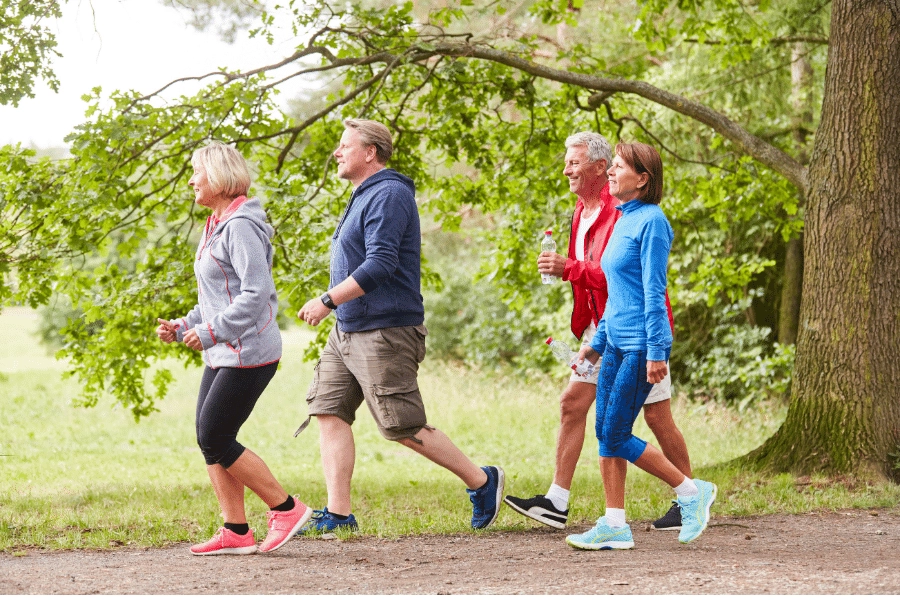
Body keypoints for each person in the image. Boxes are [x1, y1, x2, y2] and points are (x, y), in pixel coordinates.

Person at [295, 118, 504, 533]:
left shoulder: (388, 193)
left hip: (385, 330)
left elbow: (381, 263)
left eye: (344, 146)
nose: (336, 153)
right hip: (348, 329)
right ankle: (338, 514)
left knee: (401, 426)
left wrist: (326, 300)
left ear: (370, 151)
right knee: (328, 410)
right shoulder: (362, 195)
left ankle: (482, 480)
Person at [503, 132, 691, 531]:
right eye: (567, 161)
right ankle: (562, 502)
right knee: (575, 405)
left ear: (600, 167)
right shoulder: (580, 210)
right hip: (602, 329)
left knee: (654, 418)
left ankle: (689, 495)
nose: (567, 169)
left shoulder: (622, 210)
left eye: (574, 162)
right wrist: (591, 332)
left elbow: (622, 279)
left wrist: (567, 267)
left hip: (636, 329)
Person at [156, 141, 312, 556]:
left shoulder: (241, 225)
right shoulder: (216, 223)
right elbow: (217, 295)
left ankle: (286, 508)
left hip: (249, 351)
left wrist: (210, 331)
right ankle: (236, 530)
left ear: (220, 178)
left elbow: (256, 294)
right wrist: (185, 324)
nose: (191, 180)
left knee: (216, 435)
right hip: (225, 349)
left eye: (197, 173)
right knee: (209, 437)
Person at [565, 142, 716, 550]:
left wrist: (657, 351)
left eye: (617, 167)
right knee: (604, 432)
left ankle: (690, 492)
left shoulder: (652, 222)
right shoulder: (622, 217)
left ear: (642, 178)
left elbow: (654, 292)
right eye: (610, 167)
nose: (610, 174)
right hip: (615, 343)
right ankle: (615, 524)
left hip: (639, 347)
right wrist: (595, 345)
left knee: (614, 435)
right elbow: (618, 294)